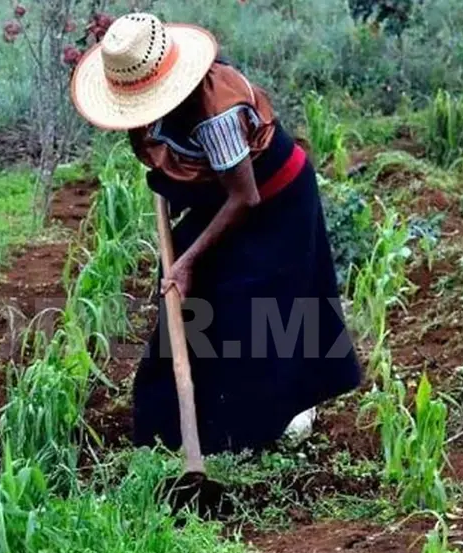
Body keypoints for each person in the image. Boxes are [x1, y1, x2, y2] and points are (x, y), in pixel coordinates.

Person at [69, 13, 362, 456]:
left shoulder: (216, 114)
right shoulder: (154, 105)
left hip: (274, 202)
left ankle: (255, 429)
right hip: (223, 198)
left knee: (255, 315)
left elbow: (246, 197)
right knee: (185, 304)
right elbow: (181, 162)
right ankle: (169, 432)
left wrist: (186, 261)